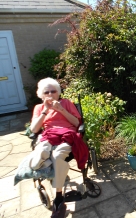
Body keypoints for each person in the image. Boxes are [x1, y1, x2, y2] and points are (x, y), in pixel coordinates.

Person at [29, 77, 88, 218]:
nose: (50, 94)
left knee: (56, 156)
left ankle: (59, 198)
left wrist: (61, 109)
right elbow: (33, 129)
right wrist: (45, 110)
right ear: (41, 95)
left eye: (53, 91)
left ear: (58, 92)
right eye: (46, 92)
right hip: (48, 136)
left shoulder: (66, 103)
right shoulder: (39, 107)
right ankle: (41, 160)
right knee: (43, 149)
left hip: (66, 136)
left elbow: (76, 122)